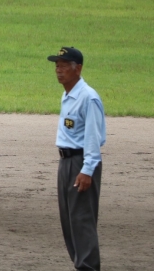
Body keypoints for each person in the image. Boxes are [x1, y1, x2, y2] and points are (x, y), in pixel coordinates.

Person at [47, 47, 106, 271]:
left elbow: (93, 138)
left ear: (78, 68)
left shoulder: (88, 98)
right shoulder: (68, 95)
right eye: (57, 65)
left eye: (64, 65)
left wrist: (87, 170)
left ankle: (88, 267)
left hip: (81, 163)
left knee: (82, 221)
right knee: (69, 222)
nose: (58, 70)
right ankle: (81, 266)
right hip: (66, 162)